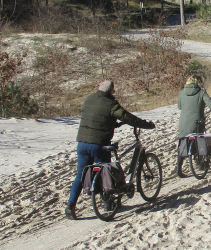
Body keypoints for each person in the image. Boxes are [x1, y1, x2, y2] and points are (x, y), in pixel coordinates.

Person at [65, 80, 155, 220]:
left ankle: (70, 205)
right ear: (111, 91)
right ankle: (108, 204)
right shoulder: (110, 103)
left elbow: (94, 117)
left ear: (98, 88)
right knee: (105, 172)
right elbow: (126, 116)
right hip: (99, 144)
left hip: (82, 143)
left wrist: (111, 123)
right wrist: (145, 125)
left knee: (80, 175)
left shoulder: (88, 99)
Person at [175, 75, 211, 177]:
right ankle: (202, 164)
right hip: (197, 122)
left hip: (183, 123)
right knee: (200, 139)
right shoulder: (201, 92)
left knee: (183, 144)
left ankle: (179, 170)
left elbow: (180, 106)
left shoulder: (181, 93)